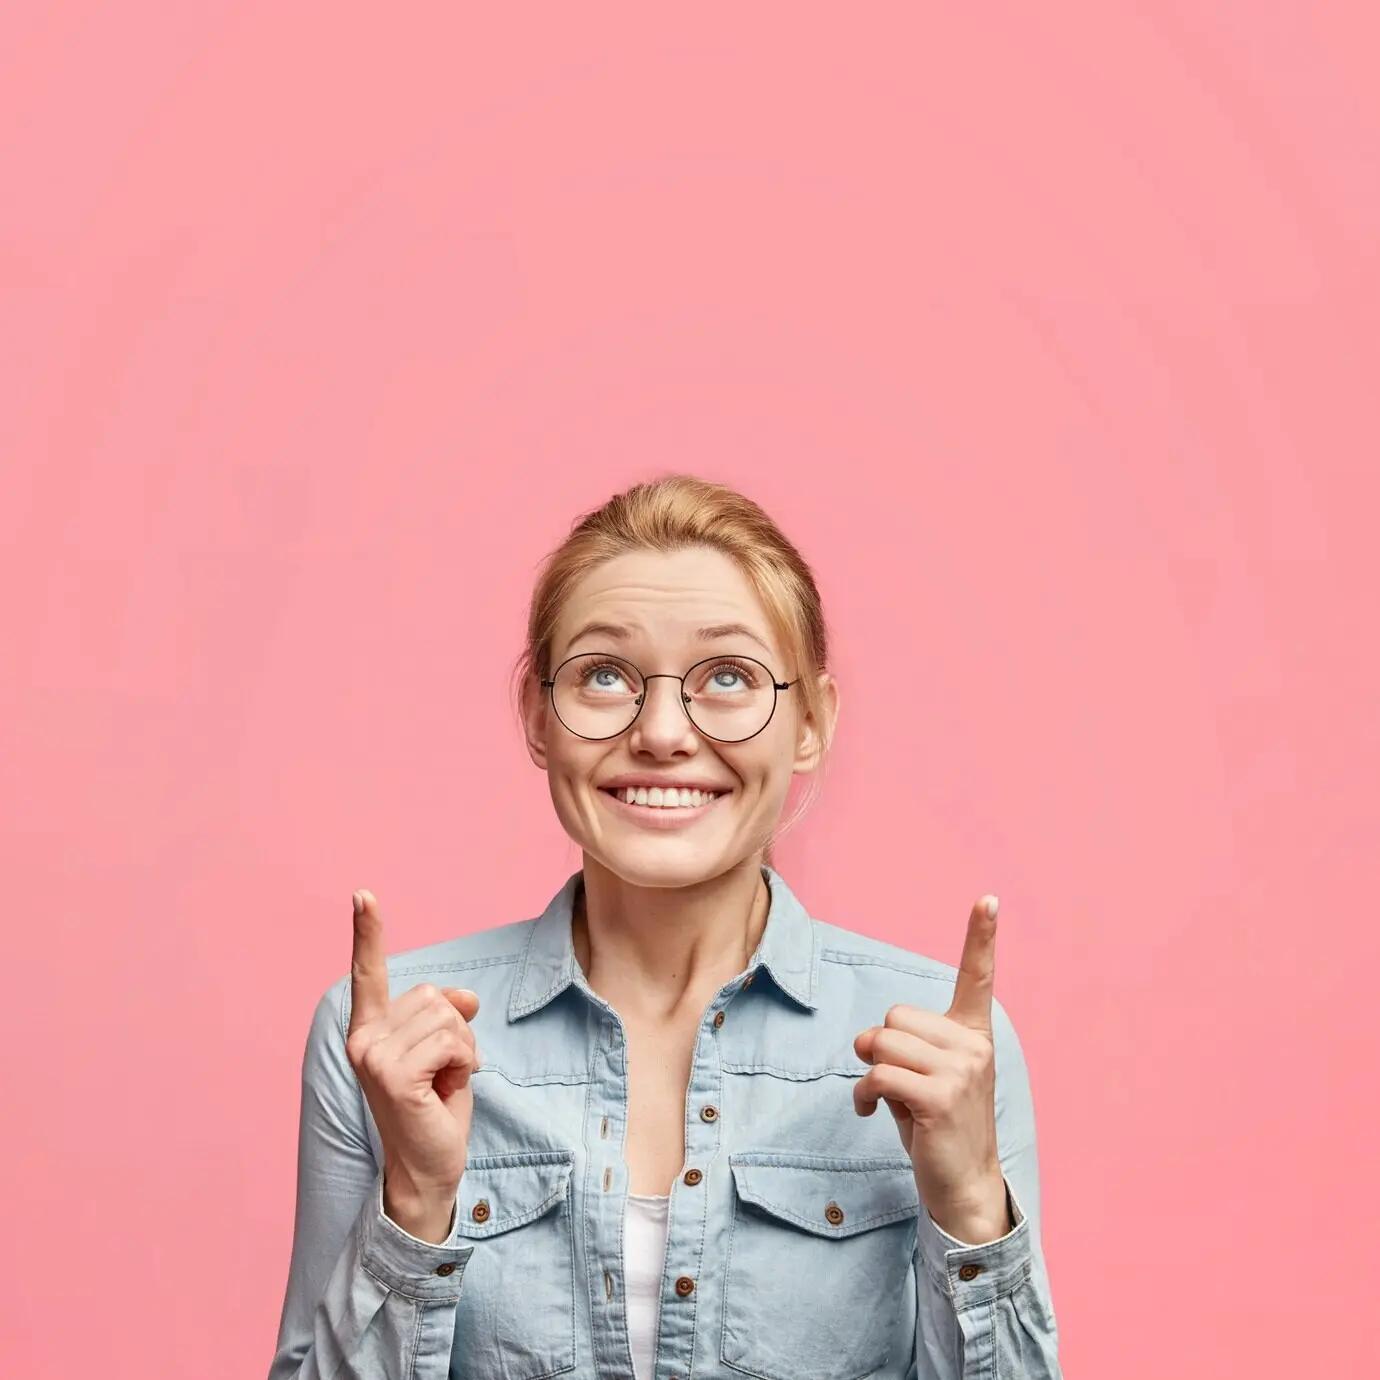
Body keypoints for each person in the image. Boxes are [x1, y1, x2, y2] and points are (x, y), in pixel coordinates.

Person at [267, 475, 1061, 1380]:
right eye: (604, 675)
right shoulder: (381, 1042)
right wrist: (414, 1202)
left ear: (812, 722)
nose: (661, 731)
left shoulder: (947, 1049)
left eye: (730, 678)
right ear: (537, 715)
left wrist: (968, 1208)